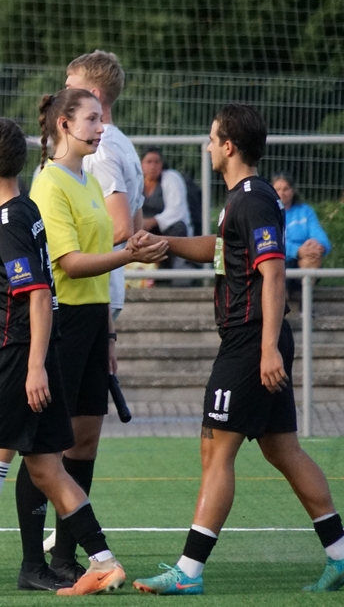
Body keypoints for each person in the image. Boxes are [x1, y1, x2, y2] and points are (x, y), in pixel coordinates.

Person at [132, 104, 344, 595]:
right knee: (283, 449)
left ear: (228, 146)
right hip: (255, 338)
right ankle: (339, 554)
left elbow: (273, 273)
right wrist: (165, 244)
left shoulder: (252, 199)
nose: (208, 146)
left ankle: (188, 572)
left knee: (216, 451)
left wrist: (268, 348)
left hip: (251, 340)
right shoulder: (244, 199)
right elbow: (223, 248)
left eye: (212, 139)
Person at [0, 116, 128, 596]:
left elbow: (39, 294)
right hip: (31, 352)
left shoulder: (10, 220)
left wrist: (35, 366)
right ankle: (104, 562)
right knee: (46, 467)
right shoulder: (18, 213)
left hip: (15, 356)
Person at [26, 89, 166, 586]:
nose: (99, 126)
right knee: (43, 447)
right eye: (90, 119)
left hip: (90, 323)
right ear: (63, 125)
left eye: (99, 118)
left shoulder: (87, 178)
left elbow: (99, 267)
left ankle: (66, 558)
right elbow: (69, 263)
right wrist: (130, 255)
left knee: (83, 443)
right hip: (60, 323)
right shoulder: (49, 183)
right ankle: (32, 564)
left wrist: (108, 334)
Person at [67, 50, 144, 318]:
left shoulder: (98, 150)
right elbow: (137, 226)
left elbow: (123, 227)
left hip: (92, 291)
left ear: (94, 96)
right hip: (104, 288)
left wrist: (68, 254)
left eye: (71, 89)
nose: (63, 96)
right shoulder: (121, 143)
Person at [141, 146, 194, 272]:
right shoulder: (136, 180)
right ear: (141, 164)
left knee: (178, 227)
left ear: (162, 164)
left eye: (157, 162)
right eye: (149, 162)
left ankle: (169, 270)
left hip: (164, 231)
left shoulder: (171, 178)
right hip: (140, 229)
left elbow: (176, 211)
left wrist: (152, 222)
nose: (153, 166)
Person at [272, 172, 331, 280]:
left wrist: (319, 247)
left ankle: (306, 290)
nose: (282, 193)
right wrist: (297, 250)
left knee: (313, 257)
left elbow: (319, 235)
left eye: (286, 189)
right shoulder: (267, 212)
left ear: (292, 191)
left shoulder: (305, 211)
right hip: (279, 259)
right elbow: (272, 242)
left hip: (304, 258)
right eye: (278, 189)